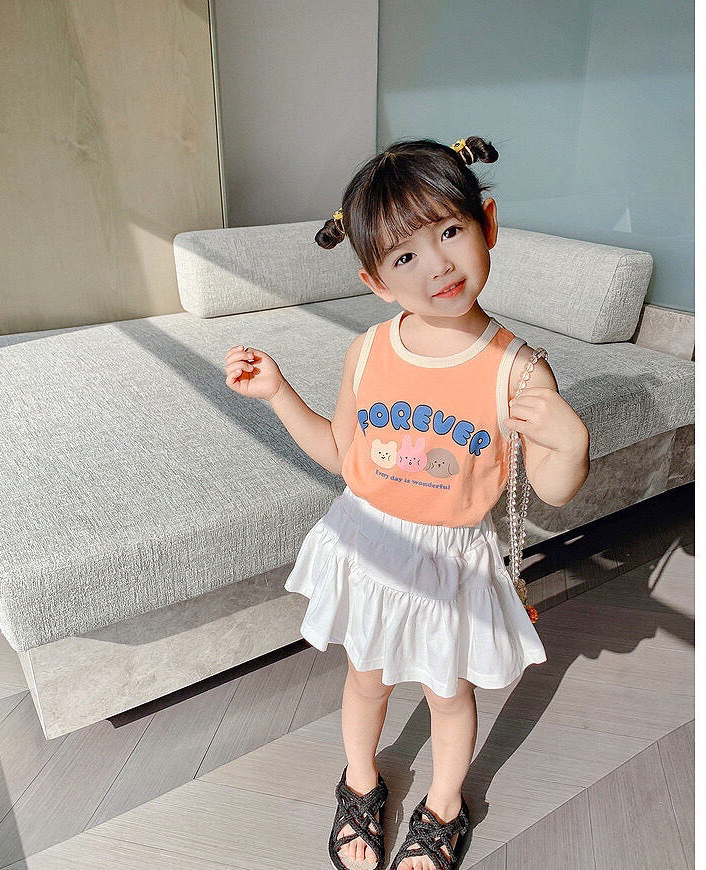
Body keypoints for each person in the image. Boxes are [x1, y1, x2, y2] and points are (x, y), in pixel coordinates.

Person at [223, 136, 590, 870]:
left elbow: (552, 491)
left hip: (450, 561)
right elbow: (344, 457)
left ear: (487, 224)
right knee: (366, 678)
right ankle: (360, 783)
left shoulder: (517, 370)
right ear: (376, 281)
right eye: (404, 256)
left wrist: (571, 442)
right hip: (369, 545)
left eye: (450, 231)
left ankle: (445, 804)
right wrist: (278, 394)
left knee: (448, 694)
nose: (438, 266)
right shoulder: (367, 351)